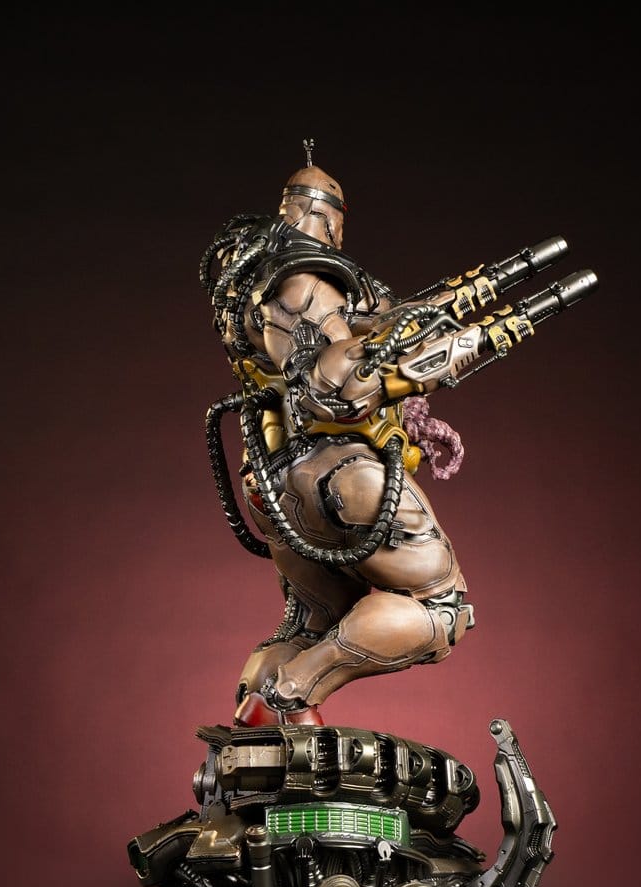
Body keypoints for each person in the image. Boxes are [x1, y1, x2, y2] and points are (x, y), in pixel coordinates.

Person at [203, 154, 473, 727]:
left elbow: (357, 332)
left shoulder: (248, 277)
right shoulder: (306, 278)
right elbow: (334, 387)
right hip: (341, 474)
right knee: (442, 609)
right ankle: (294, 690)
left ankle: (256, 725)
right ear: (329, 217)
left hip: (272, 478)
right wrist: (433, 362)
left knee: (312, 621)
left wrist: (405, 325)